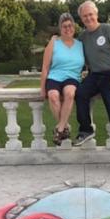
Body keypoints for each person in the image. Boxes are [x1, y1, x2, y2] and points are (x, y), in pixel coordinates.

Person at [74, 1, 110, 162]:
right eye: (85, 16)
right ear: (81, 19)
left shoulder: (108, 29)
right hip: (95, 75)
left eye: (91, 14)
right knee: (80, 94)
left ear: (96, 14)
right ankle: (86, 130)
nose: (88, 18)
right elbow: (76, 56)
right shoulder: (82, 37)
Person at [40, 13, 84, 146]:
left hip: (72, 77)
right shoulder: (53, 43)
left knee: (70, 93)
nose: (68, 29)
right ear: (60, 28)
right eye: (64, 26)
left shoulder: (81, 45)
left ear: (74, 27)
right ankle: (64, 127)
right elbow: (45, 66)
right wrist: (42, 88)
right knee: (53, 96)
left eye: (70, 26)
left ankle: (59, 129)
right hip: (55, 76)